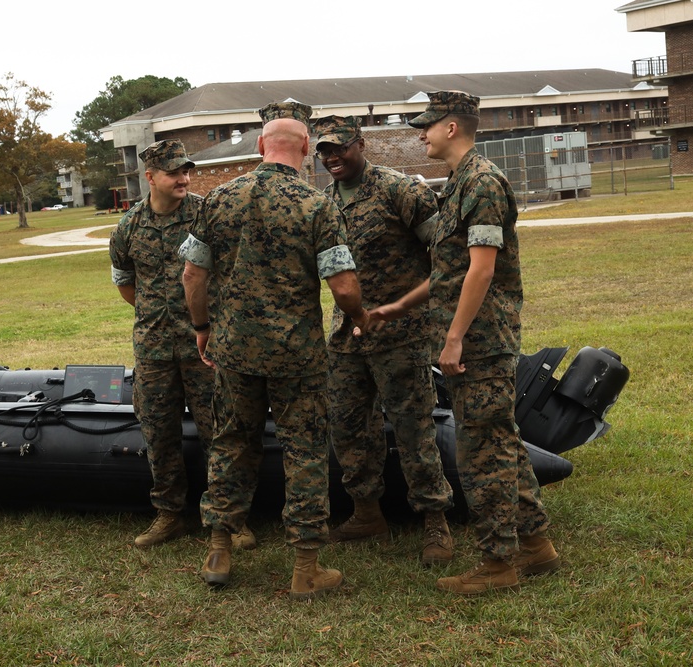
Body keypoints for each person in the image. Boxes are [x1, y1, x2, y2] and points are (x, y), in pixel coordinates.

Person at [180, 101, 369, 599]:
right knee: (304, 451)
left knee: (230, 444)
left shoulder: (216, 199)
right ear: (305, 150)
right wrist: (360, 319)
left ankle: (219, 547)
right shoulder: (317, 205)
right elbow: (345, 287)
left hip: (234, 351)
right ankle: (306, 568)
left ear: (261, 146)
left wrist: (203, 327)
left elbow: (191, 274)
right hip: (297, 356)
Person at [373, 91, 560, 595]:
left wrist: (453, 339)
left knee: (481, 452)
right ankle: (535, 545)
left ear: (451, 127)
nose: (421, 134)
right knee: (499, 441)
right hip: (468, 338)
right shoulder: (458, 184)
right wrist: (399, 306)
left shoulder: (481, 183)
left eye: (427, 126)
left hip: (479, 342)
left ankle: (498, 565)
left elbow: (482, 267)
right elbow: (450, 268)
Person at [313, 115, 454, 566]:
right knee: (350, 428)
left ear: (360, 144)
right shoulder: (324, 203)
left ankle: (435, 520)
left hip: (401, 334)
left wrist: (409, 306)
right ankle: (367, 512)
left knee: (414, 428)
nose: (332, 157)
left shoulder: (400, 190)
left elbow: (446, 255)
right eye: (323, 152)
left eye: (339, 148)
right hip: (346, 336)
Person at [110, 139, 255, 550]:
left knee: (220, 434)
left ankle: (230, 520)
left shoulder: (206, 214)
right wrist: (156, 315)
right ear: (150, 177)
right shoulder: (129, 226)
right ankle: (170, 514)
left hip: (206, 348)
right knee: (159, 433)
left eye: (186, 170)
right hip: (154, 350)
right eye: (174, 172)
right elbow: (124, 281)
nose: (183, 178)